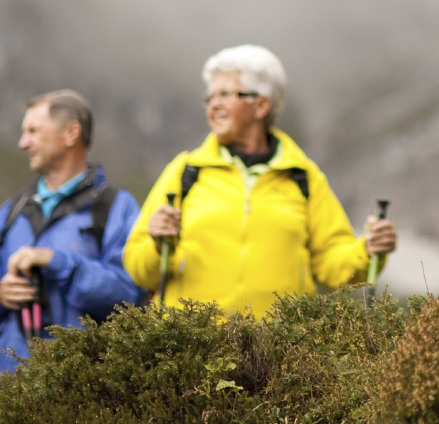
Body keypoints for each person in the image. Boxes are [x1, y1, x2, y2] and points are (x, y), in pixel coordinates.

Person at [123, 45, 397, 315]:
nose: (214, 105)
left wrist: (367, 250)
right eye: (210, 97)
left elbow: (332, 266)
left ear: (261, 105)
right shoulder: (185, 171)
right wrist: (157, 244)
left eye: (226, 94)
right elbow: (136, 266)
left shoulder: (303, 176)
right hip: (189, 353)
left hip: (279, 353)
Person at [0, 90, 142, 384]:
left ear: (71, 133)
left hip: (82, 389)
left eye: (33, 130)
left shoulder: (115, 208)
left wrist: (56, 262)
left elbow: (127, 296)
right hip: (0, 388)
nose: (23, 143)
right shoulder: (10, 213)